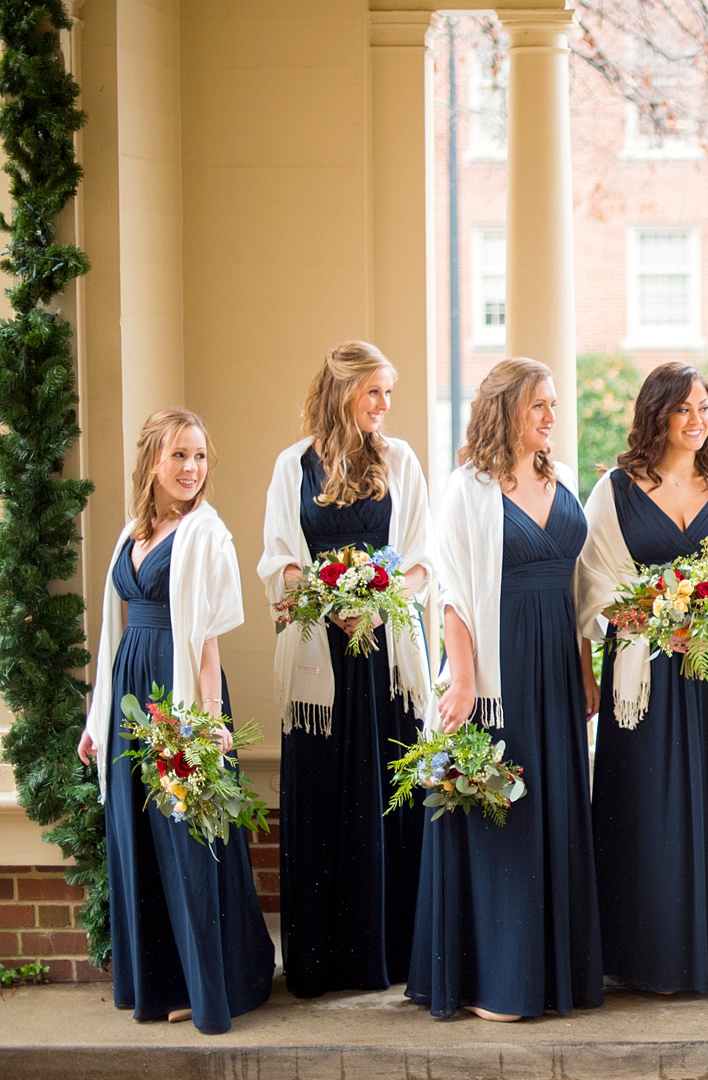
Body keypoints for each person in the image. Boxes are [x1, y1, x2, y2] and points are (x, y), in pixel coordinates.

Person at [408, 358, 603, 1020]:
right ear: (505, 411)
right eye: (538, 406)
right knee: (507, 814)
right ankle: (499, 979)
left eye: (553, 404)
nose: (552, 416)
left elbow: (579, 587)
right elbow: (452, 592)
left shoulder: (563, 477)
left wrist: (585, 667)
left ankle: (554, 974)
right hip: (499, 671)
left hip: (557, 663)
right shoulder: (468, 488)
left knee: (554, 807)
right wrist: (463, 680)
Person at [80, 409, 274, 1034]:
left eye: (199, 457)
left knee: (188, 841)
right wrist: (97, 718)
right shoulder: (129, 533)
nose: (192, 469)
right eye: (180, 456)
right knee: (141, 841)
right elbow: (113, 632)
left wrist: (209, 724)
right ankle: (158, 980)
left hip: (178, 696)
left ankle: (210, 982)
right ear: (153, 464)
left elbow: (208, 643)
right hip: (129, 697)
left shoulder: (207, 534)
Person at [575, 362, 708, 994]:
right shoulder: (615, 488)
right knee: (646, 810)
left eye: (704, 408)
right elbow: (594, 578)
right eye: (682, 409)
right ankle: (646, 958)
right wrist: (653, 618)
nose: (696, 421)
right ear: (655, 414)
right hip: (644, 679)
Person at [258, 341, 433, 997]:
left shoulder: (400, 459)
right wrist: (332, 601)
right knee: (322, 792)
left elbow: (421, 557)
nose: (385, 405)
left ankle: (387, 954)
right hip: (318, 656)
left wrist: (378, 604)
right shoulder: (291, 466)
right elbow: (278, 555)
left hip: (384, 650)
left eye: (389, 393)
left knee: (388, 787)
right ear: (343, 393)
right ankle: (319, 959)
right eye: (374, 392)